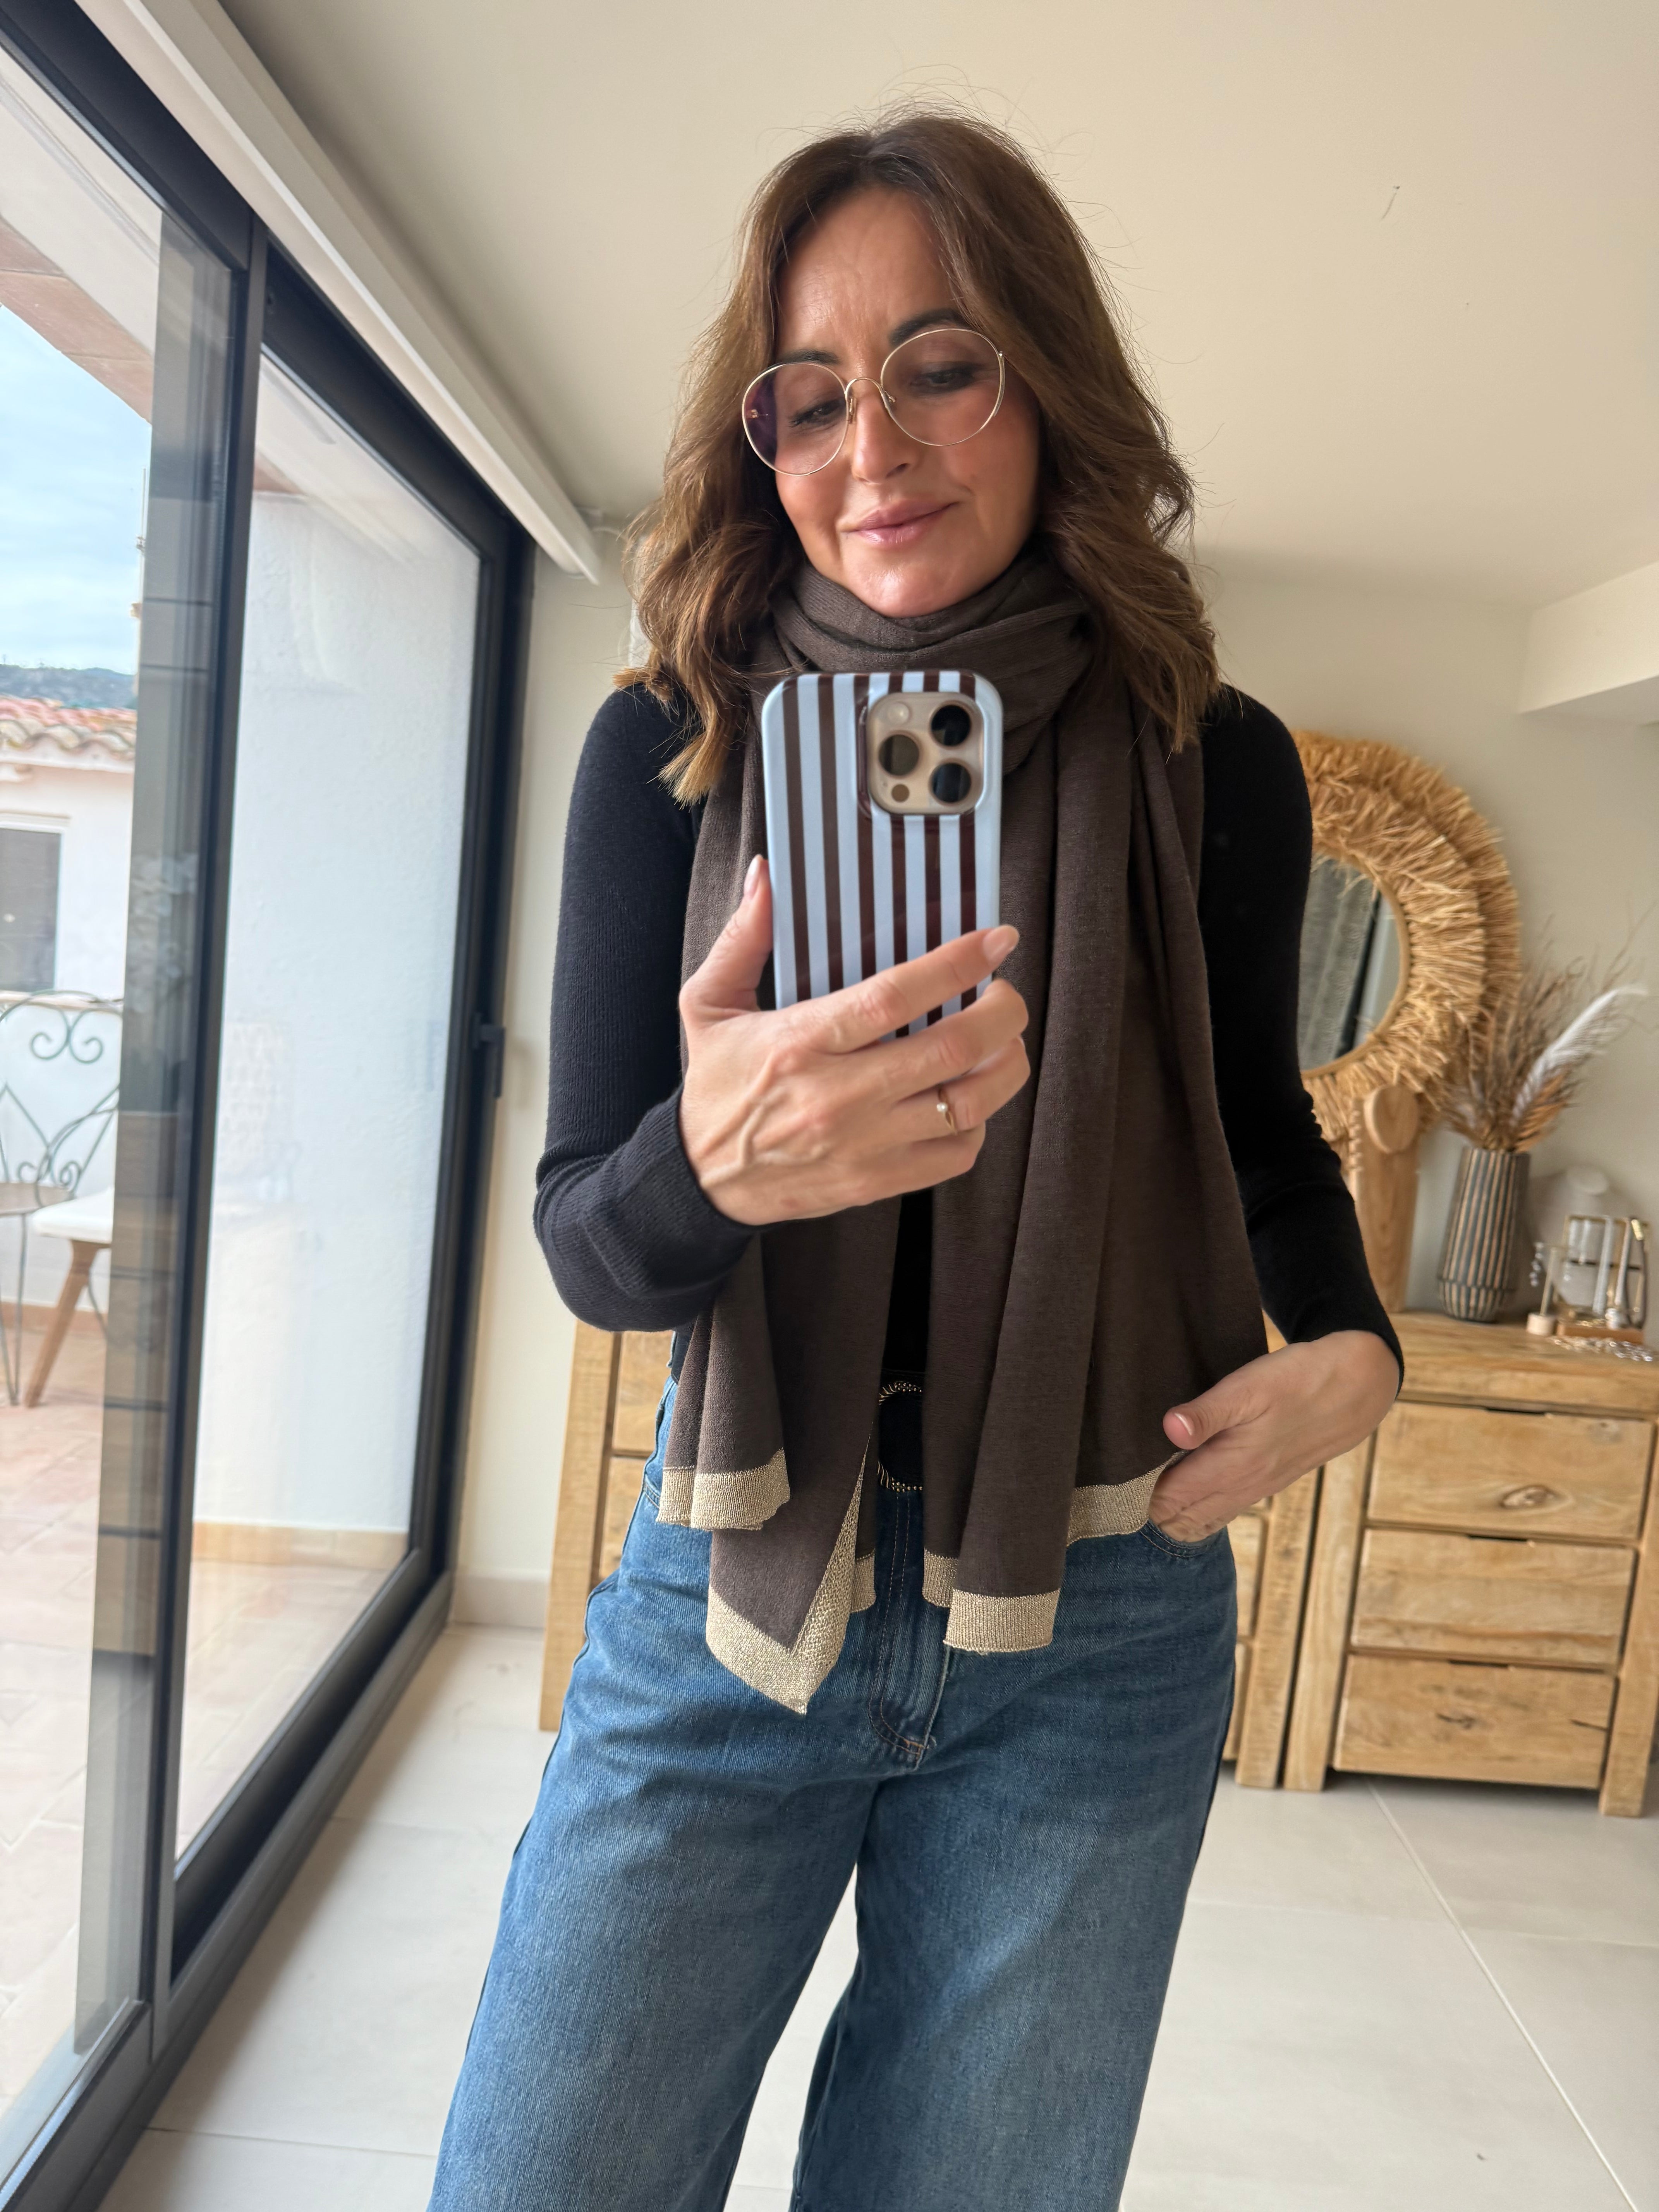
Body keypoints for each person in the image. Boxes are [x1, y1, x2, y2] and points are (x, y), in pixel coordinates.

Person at [429, 110, 1401, 2212]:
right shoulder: (667, 745)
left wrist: (1359, 1348)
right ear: (762, 443)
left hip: (1100, 1608)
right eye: (810, 395)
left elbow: (1260, 1132)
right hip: (739, 1577)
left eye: (941, 366)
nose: (870, 447)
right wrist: (707, 1164)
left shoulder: (1213, 761)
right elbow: (593, 1249)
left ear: (1051, 386)